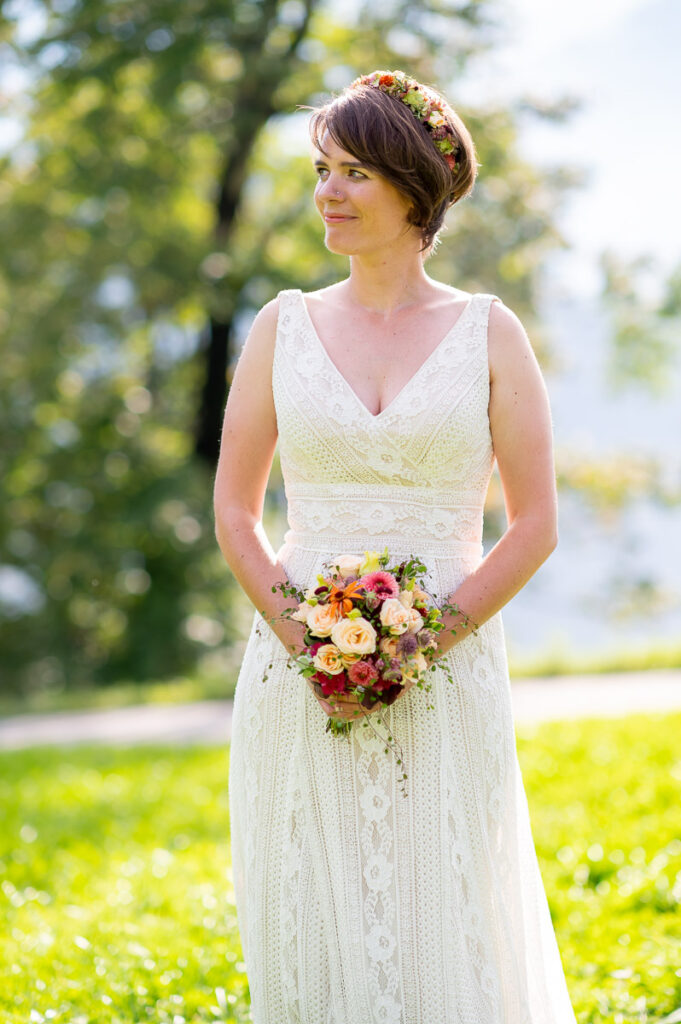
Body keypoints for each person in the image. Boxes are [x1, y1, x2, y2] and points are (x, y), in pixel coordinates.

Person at [214, 69, 577, 1023]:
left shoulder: (489, 333)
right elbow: (235, 513)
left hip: (448, 668)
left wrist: (415, 647)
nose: (327, 193)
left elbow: (533, 525)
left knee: (445, 904)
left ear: (414, 187)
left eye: (354, 173)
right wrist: (309, 643)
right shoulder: (280, 327)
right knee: (308, 903)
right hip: (295, 667)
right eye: (321, 171)